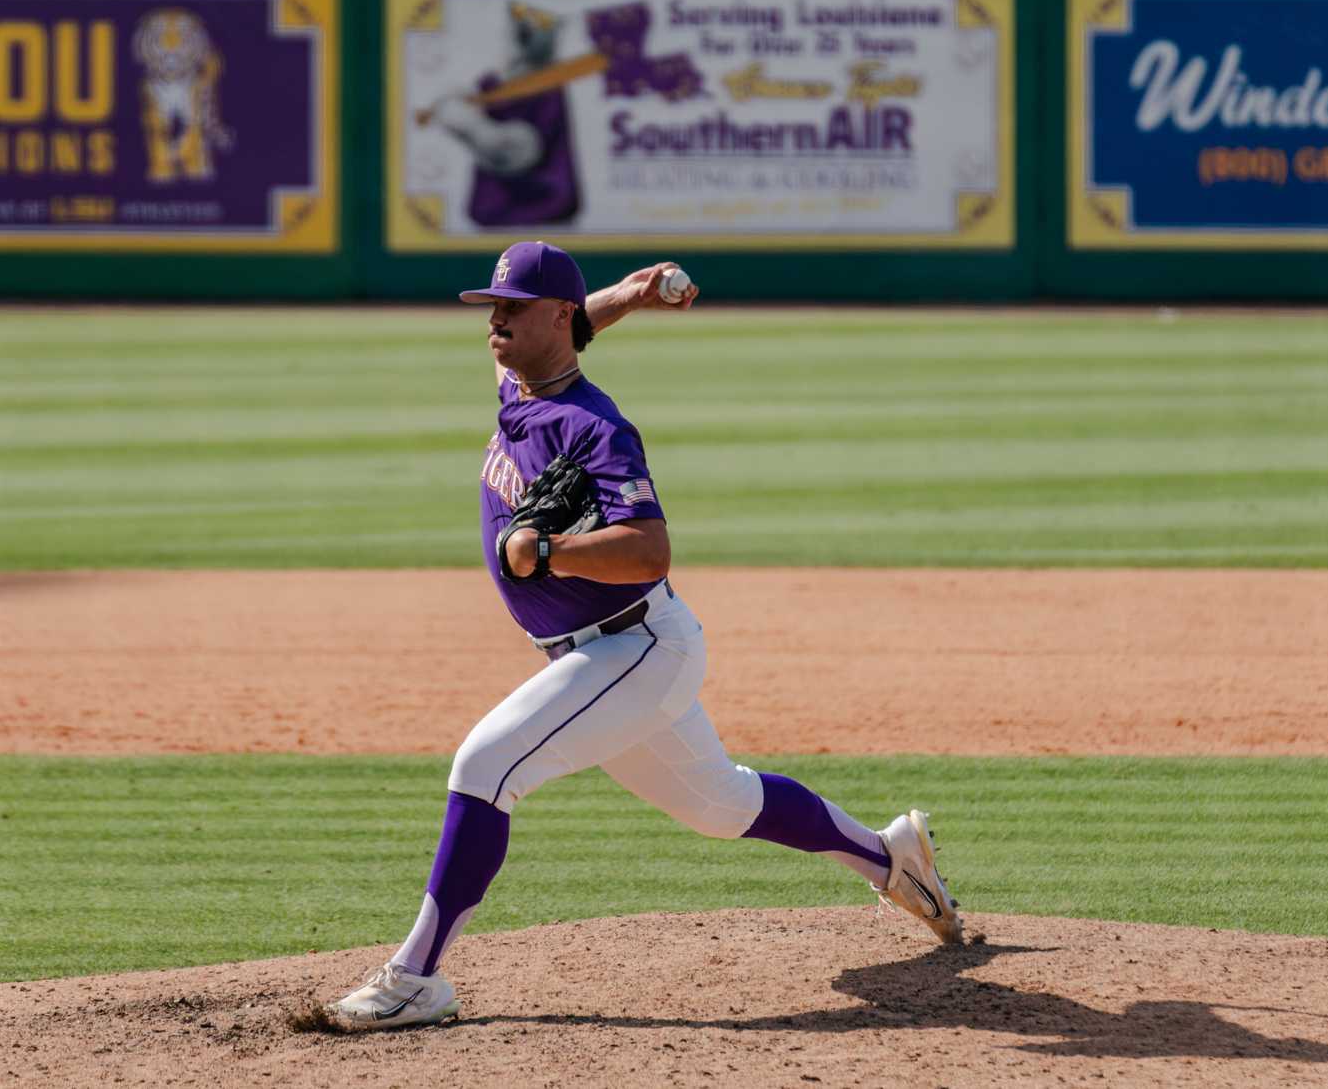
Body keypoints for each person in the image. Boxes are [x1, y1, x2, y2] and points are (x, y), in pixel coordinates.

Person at [326, 244, 961, 1031]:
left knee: (485, 764)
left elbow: (650, 548)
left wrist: (548, 551)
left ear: (551, 317)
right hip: (599, 654)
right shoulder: (520, 386)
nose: (494, 320)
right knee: (721, 803)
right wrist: (627, 293)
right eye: (491, 305)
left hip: (636, 646)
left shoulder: (597, 428)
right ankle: (892, 855)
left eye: (512, 307)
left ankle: (416, 976)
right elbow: (572, 321)